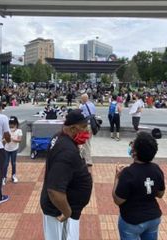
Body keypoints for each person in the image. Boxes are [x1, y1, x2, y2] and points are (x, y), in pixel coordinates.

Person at [40, 109, 93, 240]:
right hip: (60, 212)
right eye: (84, 127)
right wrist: (67, 211)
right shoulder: (66, 151)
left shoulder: (60, 137)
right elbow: (54, 190)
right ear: (73, 128)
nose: (87, 131)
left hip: (65, 208)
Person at [112, 132, 165, 240]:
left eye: (132, 145)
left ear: (134, 152)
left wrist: (117, 178)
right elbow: (160, 194)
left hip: (132, 220)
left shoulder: (128, 173)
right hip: (153, 218)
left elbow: (118, 200)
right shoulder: (156, 169)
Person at [3, 116, 23, 185]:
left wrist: (12, 139)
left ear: (16, 124)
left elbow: (19, 140)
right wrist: (4, 140)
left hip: (14, 149)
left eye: (13, 124)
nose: (11, 125)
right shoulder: (7, 130)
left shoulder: (19, 131)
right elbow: (3, 139)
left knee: (13, 163)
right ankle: (4, 177)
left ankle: (13, 176)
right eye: (10, 124)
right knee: (5, 163)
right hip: (6, 149)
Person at [79, 93, 96, 167]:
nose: (81, 100)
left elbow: (80, 115)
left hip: (87, 126)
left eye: (81, 99)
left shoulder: (83, 106)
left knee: (86, 142)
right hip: (92, 125)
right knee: (86, 141)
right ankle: (82, 156)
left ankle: (89, 160)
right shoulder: (92, 104)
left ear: (84, 99)